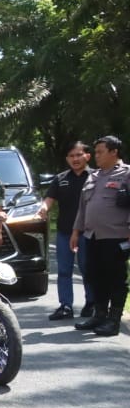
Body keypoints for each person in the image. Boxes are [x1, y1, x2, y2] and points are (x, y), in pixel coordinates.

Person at [70, 135, 130, 337]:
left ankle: (113, 321)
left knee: (116, 278)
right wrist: (76, 232)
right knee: (95, 277)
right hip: (92, 235)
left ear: (114, 152)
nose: (96, 156)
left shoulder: (127, 174)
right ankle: (99, 314)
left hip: (117, 235)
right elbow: (83, 207)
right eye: (95, 152)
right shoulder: (93, 176)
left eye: (100, 152)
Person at [38, 142, 95, 320]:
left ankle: (91, 304)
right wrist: (43, 209)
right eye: (71, 156)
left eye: (79, 155)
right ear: (67, 159)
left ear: (88, 156)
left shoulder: (96, 177)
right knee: (64, 270)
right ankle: (66, 306)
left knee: (88, 269)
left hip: (89, 232)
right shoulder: (61, 178)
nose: (75, 159)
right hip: (64, 232)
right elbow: (49, 199)